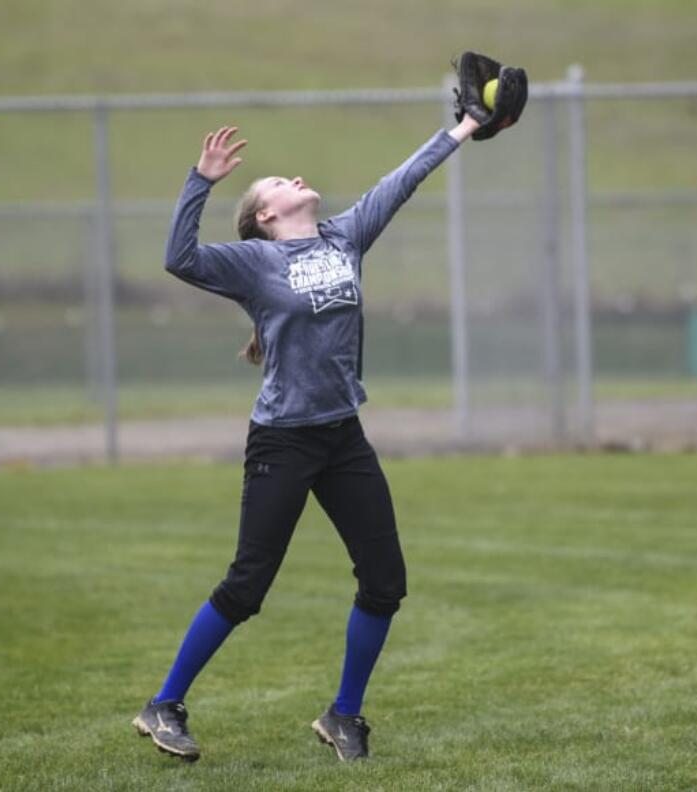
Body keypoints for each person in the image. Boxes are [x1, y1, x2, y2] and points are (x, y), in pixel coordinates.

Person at [132, 109, 488, 764]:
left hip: (343, 438)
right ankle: (164, 704)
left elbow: (400, 181)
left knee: (385, 582)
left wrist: (464, 126)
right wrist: (200, 181)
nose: (293, 179)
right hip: (284, 442)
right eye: (276, 182)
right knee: (248, 586)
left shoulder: (343, 236)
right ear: (265, 215)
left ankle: (344, 716)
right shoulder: (255, 261)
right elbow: (178, 258)